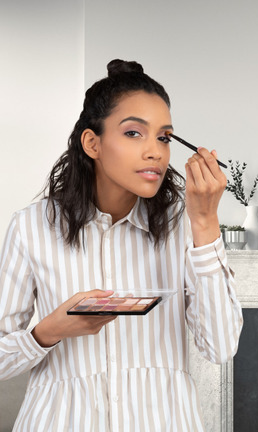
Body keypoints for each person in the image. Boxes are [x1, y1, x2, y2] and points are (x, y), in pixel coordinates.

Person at [0, 59, 243, 431]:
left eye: (164, 137)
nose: (156, 152)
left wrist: (206, 222)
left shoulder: (186, 225)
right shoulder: (31, 227)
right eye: (134, 133)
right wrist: (49, 331)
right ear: (92, 143)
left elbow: (221, 347)